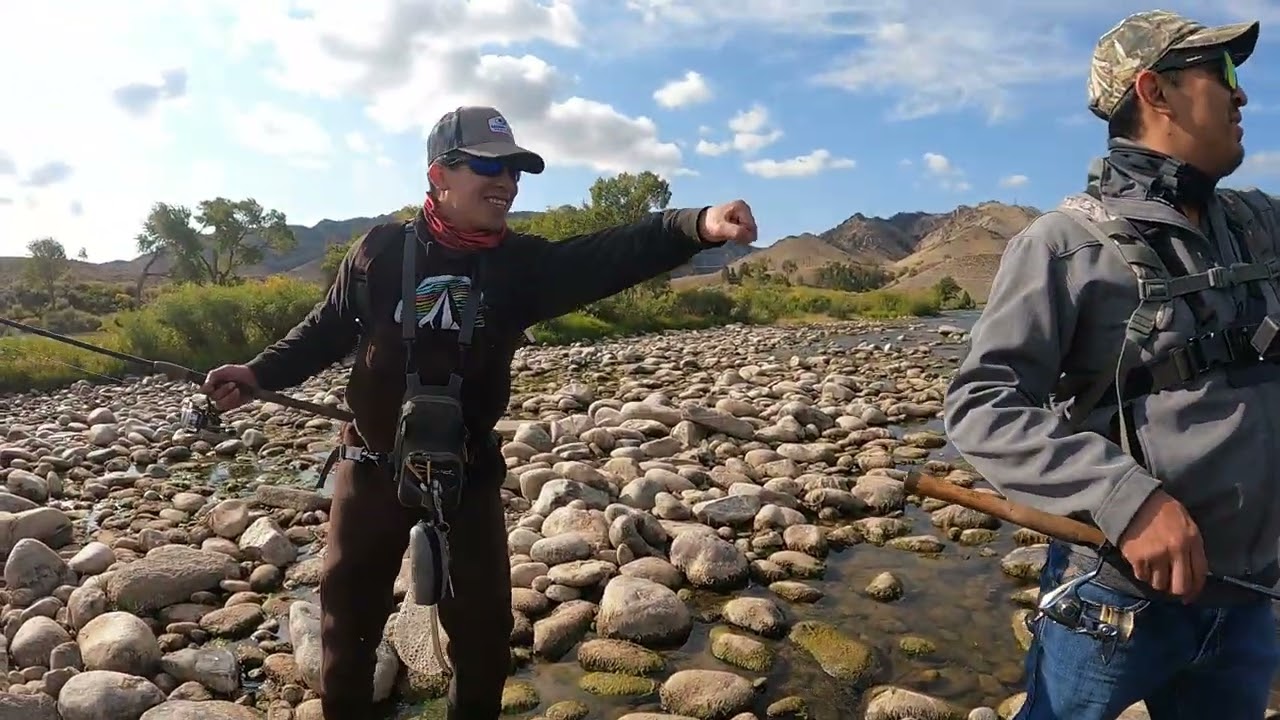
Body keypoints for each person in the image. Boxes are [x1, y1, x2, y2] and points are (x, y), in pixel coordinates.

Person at [200, 105, 757, 719]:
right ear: (439, 174)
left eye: (516, 170)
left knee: (486, 639)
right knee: (347, 631)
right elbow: (326, 330)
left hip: (467, 474)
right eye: (488, 165)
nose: (507, 182)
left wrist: (697, 224)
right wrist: (257, 374)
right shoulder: (380, 253)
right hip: (371, 467)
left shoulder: (521, 267)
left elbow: (613, 253)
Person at [943, 10, 1280, 720]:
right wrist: (1129, 499)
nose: (1242, 95)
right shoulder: (1064, 245)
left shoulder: (1261, 224)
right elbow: (981, 406)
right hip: (1115, 609)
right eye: (1223, 74)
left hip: (1249, 605)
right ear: (1155, 92)